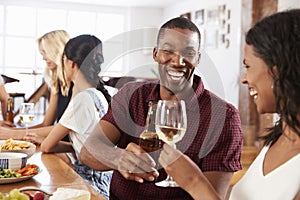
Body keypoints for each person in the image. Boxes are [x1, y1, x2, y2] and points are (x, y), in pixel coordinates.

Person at [79, 17, 243, 199]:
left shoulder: (224, 117)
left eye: (188, 53)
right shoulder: (131, 95)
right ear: (156, 53)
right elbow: (88, 151)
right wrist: (118, 158)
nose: (178, 61)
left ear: (197, 59)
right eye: (168, 51)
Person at [158, 9, 300, 200]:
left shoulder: (224, 116)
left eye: (248, 67)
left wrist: (194, 182)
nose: (243, 79)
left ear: (280, 70)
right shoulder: (278, 139)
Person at [37, 34, 112, 199]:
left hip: (90, 183)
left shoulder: (81, 100)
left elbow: (47, 147)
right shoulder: (98, 96)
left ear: (70, 63)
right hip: (104, 181)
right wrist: (73, 147)